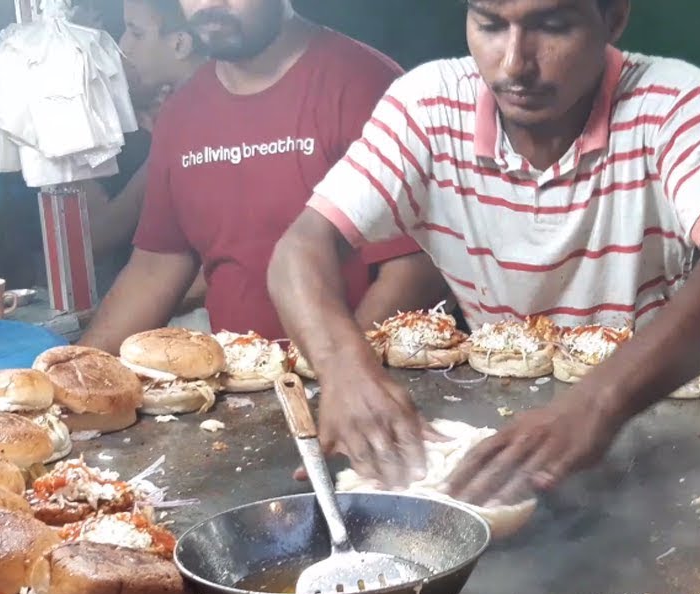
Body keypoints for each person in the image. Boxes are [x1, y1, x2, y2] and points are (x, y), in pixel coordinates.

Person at [268, 0, 700, 503]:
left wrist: (597, 403)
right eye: (491, 24)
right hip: (493, 412)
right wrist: (344, 368)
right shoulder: (426, 105)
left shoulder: (669, 99)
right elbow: (302, 246)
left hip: (645, 412)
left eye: (552, 26)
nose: (515, 63)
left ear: (613, 18)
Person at [79, 0, 445, 351]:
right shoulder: (182, 114)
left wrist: (342, 372)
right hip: (244, 397)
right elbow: (155, 266)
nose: (208, 3)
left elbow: (416, 267)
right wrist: (74, 372)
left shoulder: (366, 84)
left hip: (369, 384)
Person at [82, 0, 207, 294]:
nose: (123, 46)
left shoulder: (205, 120)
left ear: (180, 44)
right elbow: (106, 230)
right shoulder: (176, 120)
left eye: (136, 33)